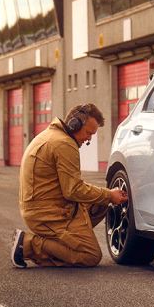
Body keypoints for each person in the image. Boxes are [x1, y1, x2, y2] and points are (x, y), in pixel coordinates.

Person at [11, 103, 127, 268]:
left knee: (100, 203)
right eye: (88, 133)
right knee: (90, 255)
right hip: (48, 215)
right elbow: (73, 190)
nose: (89, 139)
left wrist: (106, 196)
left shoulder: (50, 135)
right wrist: (110, 194)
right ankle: (28, 245)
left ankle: (67, 241)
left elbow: (71, 187)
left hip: (43, 207)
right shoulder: (65, 144)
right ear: (75, 124)